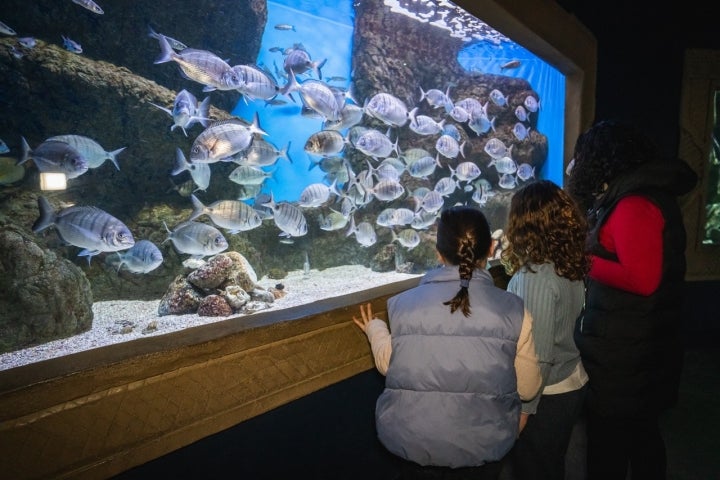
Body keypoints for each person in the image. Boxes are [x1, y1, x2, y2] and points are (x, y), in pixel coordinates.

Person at [353, 205, 542, 480]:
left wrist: (375, 329)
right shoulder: (515, 310)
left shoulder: (402, 306)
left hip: (411, 444)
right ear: (491, 248)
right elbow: (528, 387)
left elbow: (388, 364)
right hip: (483, 447)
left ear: (438, 253)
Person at [566, 120, 698, 480]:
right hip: (637, 345)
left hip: (626, 354)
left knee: (609, 445)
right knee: (641, 435)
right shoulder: (643, 194)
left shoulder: (634, 204)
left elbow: (642, 279)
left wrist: (583, 260)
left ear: (603, 159)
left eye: (584, 157)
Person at [499, 179, 591, 480]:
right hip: (569, 381)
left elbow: (537, 356)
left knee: (534, 469)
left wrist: (525, 409)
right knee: (551, 465)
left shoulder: (535, 275)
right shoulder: (567, 263)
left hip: (546, 394)